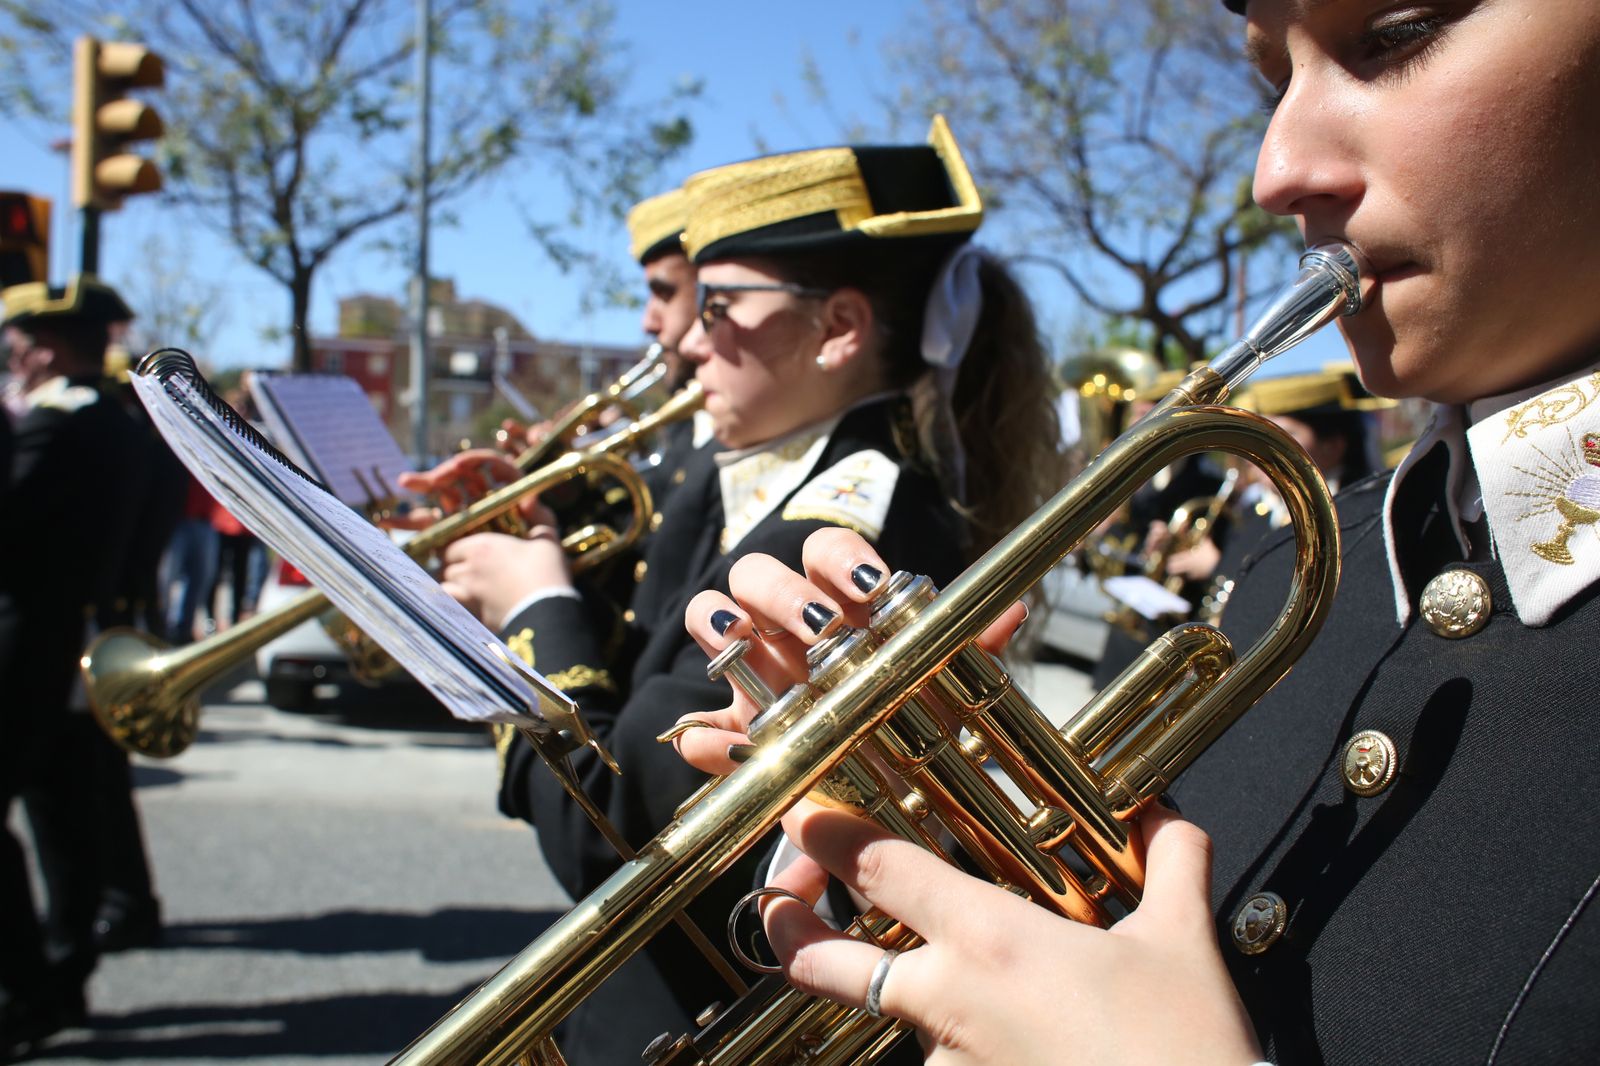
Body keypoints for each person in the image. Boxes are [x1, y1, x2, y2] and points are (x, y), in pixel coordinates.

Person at [671, 1, 1600, 1062]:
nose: (1277, 170)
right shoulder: (1293, 574)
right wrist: (962, 853)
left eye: (1393, 32)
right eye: (1268, 80)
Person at [412, 117, 1066, 1062]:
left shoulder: (839, 533)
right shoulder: (769, 485)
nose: (687, 344)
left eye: (718, 308)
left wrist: (533, 610)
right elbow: (643, 683)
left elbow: (612, 837)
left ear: (838, 328)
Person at [0, 276, 147, 1057]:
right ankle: (65, 973)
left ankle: (27, 990)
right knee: (64, 814)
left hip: (22, 642)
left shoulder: (48, 427)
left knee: (54, 812)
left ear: (47, 347)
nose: (14, 357)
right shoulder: (124, 424)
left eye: (19, 345)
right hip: (86, 637)